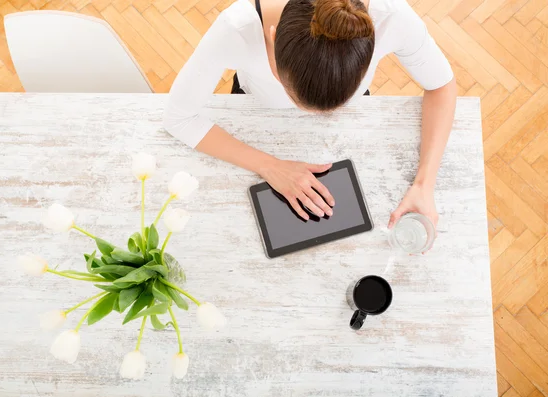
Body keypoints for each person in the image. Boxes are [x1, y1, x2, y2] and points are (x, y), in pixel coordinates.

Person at [164, 0, 456, 229]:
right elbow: (178, 116)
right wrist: (269, 166)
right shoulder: (236, 28)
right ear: (274, 37)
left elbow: (441, 85)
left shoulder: (392, 16)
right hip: (255, 111)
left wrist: (424, 184)